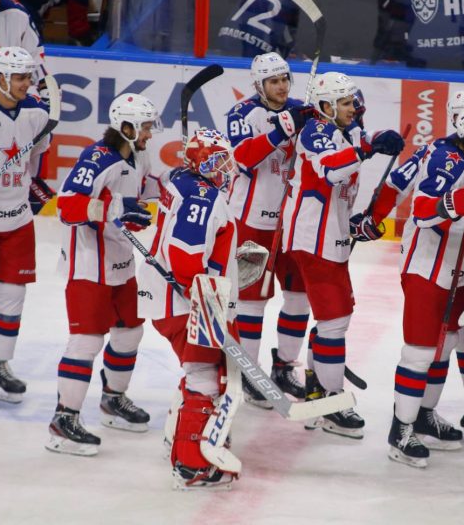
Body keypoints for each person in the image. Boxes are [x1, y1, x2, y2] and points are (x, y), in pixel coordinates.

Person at [281, 71, 403, 439]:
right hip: (313, 240)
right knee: (334, 321)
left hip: (329, 237)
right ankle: (331, 403)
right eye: (347, 103)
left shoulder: (344, 131)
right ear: (326, 106)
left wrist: (380, 137)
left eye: (354, 102)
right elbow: (332, 169)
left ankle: (317, 390)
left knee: (333, 319)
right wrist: (369, 148)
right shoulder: (315, 131)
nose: (355, 108)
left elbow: (364, 139)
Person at [47, 93, 161, 457]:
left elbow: (151, 187)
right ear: (126, 127)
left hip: (121, 260)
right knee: (86, 342)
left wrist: (186, 180)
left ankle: (112, 400)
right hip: (88, 265)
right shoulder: (96, 158)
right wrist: (118, 208)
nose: (150, 134)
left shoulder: (139, 156)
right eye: (145, 127)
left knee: (130, 332)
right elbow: (67, 207)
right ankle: (63, 421)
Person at [389, 103, 464, 468]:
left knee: (444, 345)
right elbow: (422, 209)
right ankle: (400, 430)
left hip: (457, 268)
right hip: (427, 268)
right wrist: (459, 201)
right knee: (419, 353)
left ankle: (423, 415)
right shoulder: (447, 160)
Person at [138, 128, 241, 489]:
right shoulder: (203, 196)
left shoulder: (181, 179)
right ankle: (191, 465)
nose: (225, 168)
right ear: (200, 162)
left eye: (226, 160)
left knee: (199, 371)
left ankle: (178, 437)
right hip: (187, 301)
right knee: (204, 376)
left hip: (172, 296)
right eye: (217, 161)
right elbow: (184, 253)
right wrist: (202, 296)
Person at [225, 52, 314, 407]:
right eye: (273, 81)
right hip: (252, 222)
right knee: (252, 300)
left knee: (299, 296)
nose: (281, 87)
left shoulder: (300, 110)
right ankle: (249, 375)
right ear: (259, 85)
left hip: (293, 222)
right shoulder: (242, 113)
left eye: (284, 79)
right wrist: (281, 130)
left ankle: (284, 367)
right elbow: (242, 159)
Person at [0, 46, 50, 403]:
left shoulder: (37, 113)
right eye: (18, 77)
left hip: (17, 220)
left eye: (28, 77)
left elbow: (37, 159)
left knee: (13, 296)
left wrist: (33, 190)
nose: (26, 83)